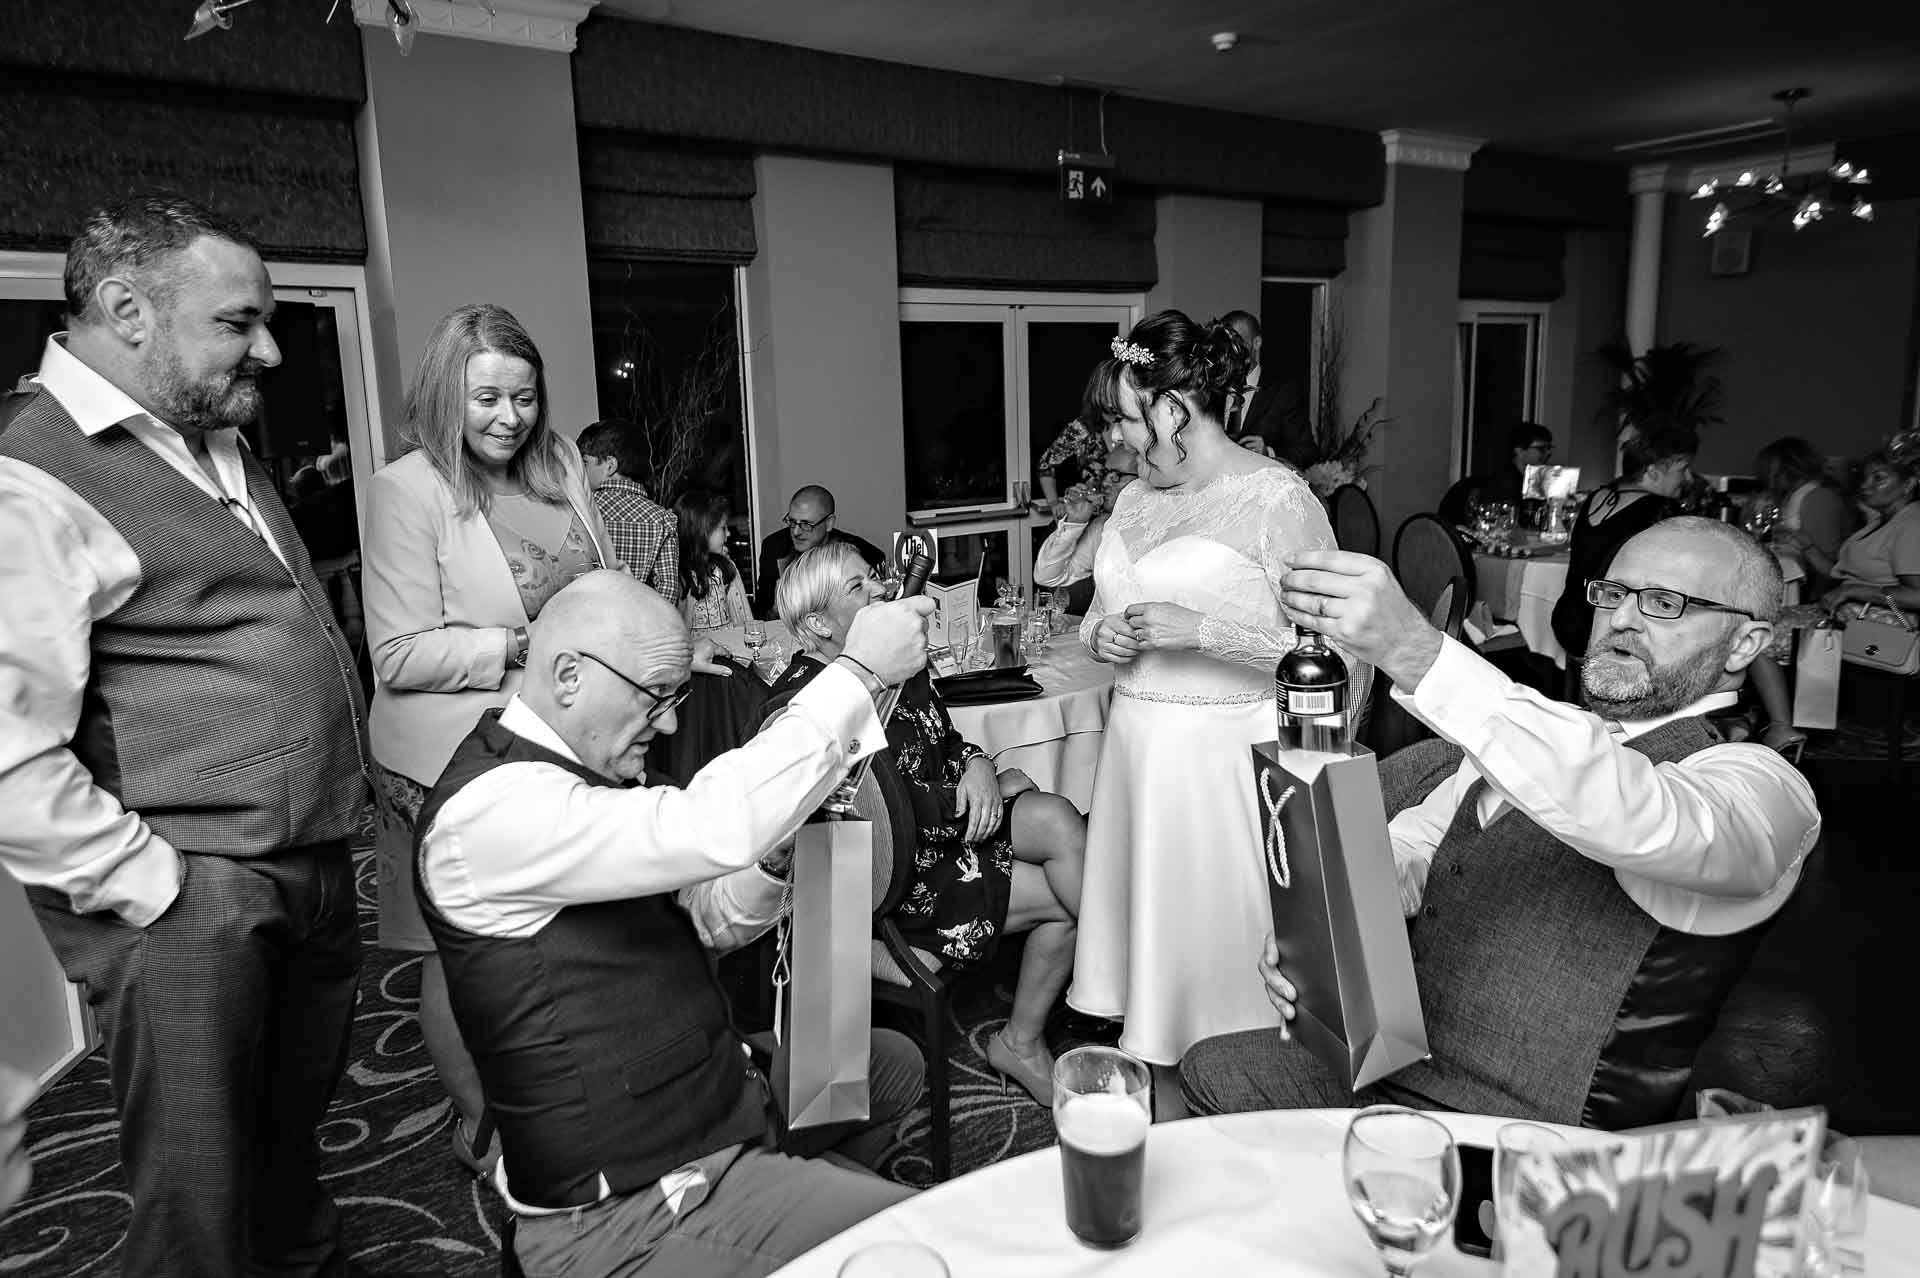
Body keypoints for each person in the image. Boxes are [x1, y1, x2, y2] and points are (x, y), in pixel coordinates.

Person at [0, 195, 369, 1274]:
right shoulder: (30, 478)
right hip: (191, 892)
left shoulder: (212, 433)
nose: (266, 349)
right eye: (236, 321)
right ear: (127, 310)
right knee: (197, 1199)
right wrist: (158, 885)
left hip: (305, 859)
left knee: (285, 1153)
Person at [1179, 519, 1819, 1130]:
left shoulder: (1762, 786)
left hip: (1530, 1131)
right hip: (1392, 1063)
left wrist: (1416, 652)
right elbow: (1422, 842)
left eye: (1666, 603)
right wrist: (1327, 932)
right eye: (1615, 593)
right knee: (1209, 1067)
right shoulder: (1529, 736)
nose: (1622, 619)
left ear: (1745, 644)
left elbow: (1643, 817)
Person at [415, 570, 933, 1276]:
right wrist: (859, 671)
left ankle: (797, 1217)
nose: (669, 723)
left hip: (717, 1110)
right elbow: (713, 823)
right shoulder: (486, 814)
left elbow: (708, 922)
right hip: (625, 1212)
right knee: (922, 1250)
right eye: (657, 696)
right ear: (569, 676)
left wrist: (775, 861)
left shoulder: (598, 778)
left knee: (891, 1066)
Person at [362, 302, 619, 1181]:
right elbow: (397, 652)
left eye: (524, 396)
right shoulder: (408, 489)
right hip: (446, 757)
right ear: (447, 396)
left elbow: (600, 580)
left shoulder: (558, 466)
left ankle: (564, 1089)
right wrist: (520, 647)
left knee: (558, 932)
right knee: (462, 949)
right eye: (487, 400)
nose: (511, 418)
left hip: (559, 744)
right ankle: (479, 1123)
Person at [1066, 310, 1349, 1101]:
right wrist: (1102, 639)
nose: (1119, 441)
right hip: (1136, 760)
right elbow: (1096, 611)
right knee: (1148, 992)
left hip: (1223, 770)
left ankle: (1243, 1123)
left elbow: (1337, 661)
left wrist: (1207, 633)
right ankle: (1159, 1133)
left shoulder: (1276, 499)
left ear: (1174, 410)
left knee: (1221, 989)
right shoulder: (1133, 504)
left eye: (1126, 419)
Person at [768, 544, 1087, 1103]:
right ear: (817, 624)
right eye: (857, 588)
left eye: (874, 579)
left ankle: (1107, 989)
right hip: (894, 881)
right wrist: (984, 789)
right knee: (1065, 894)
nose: (880, 592)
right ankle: (1036, 1034)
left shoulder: (898, 664)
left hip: (948, 835)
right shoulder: (805, 703)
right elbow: (886, 815)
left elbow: (946, 741)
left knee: (1058, 818)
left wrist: (978, 765)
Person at [1780, 449, 1920, 620]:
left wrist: (1852, 591)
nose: (1864, 485)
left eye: (1878, 478)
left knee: (1765, 632)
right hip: (1849, 615)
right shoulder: (1882, 521)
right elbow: (1843, 573)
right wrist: (1808, 547)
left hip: (1876, 629)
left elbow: (1916, 597)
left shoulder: (1911, 524)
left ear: (1909, 484)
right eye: (1864, 478)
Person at [578, 417, 680, 602]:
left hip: (589, 622)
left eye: (584, 462)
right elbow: (668, 591)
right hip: (639, 624)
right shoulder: (663, 519)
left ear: (610, 465)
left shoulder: (581, 511)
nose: (580, 470)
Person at [751, 484, 885, 619]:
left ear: (829, 523)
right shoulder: (774, 547)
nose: (796, 532)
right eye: (792, 522)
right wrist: (776, 610)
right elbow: (760, 612)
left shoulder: (858, 553)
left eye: (806, 524)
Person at [1754, 436, 1856, 599]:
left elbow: (1829, 566)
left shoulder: (1820, 498)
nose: (1764, 477)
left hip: (1817, 592)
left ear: (1785, 469)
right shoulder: (1793, 495)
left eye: (1767, 470)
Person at [1033, 444, 1139, 600]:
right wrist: (1074, 524)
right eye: (1105, 473)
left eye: (1116, 475)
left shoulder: (1168, 529)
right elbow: (1046, 577)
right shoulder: (1101, 527)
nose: (1105, 483)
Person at [1218, 309, 1316, 468]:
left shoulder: (1284, 391)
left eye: (1238, 341)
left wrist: (1268, 453)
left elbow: (1307, 452)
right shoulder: (1212, 388)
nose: (1232, 350)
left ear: (1257, 343)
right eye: (1226, 343)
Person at [1437, 421, 1554, 528]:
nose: (1548, 453)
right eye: (1541, 449)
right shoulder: (1504, 483)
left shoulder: (1533, 482)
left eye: (1549, 448)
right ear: (1519, 450)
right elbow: (1507, 527)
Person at [677, 489, 754, 632]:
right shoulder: (679, 574)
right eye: (723, 528)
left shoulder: (726, 566)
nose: (729, 534)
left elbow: (742, 612)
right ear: (702, 531)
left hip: (729, 647)